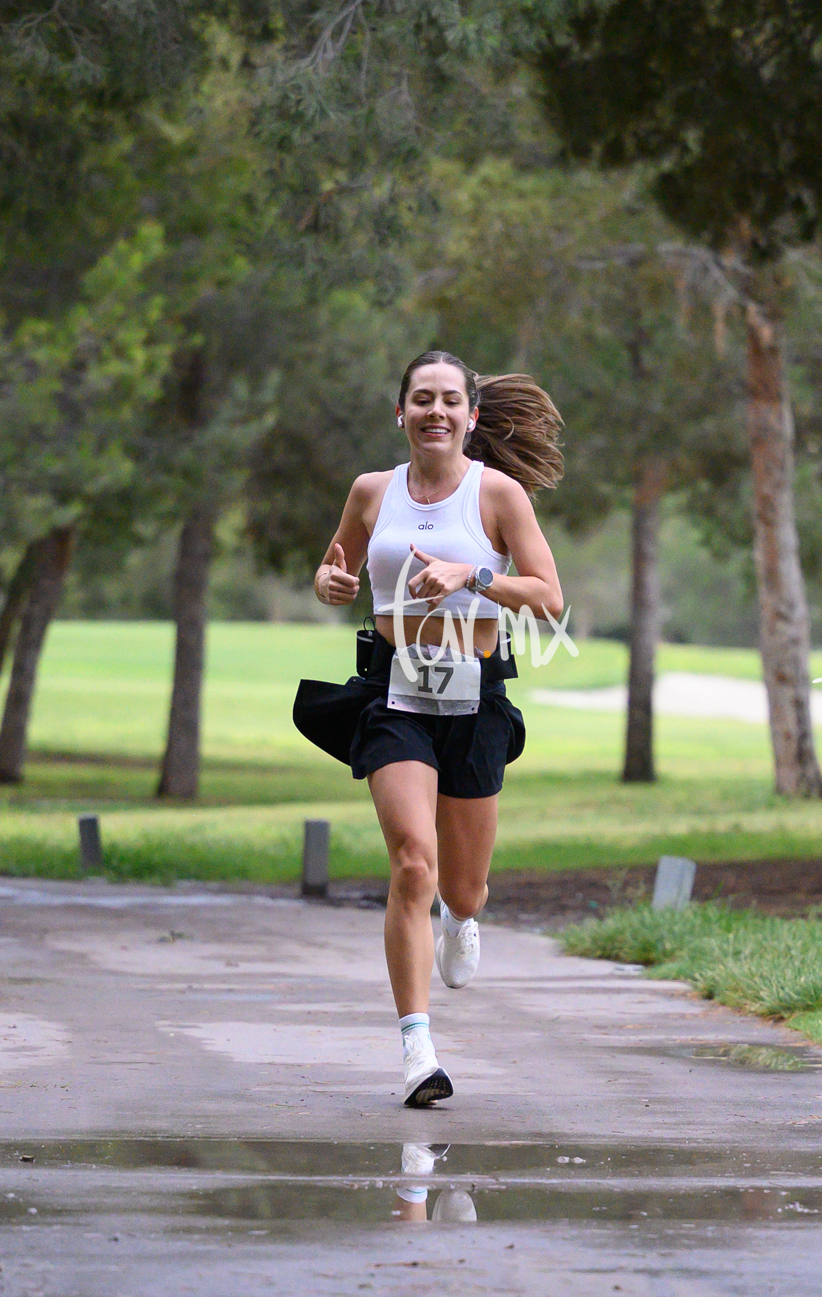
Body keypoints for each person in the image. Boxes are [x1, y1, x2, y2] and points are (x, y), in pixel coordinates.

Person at [293, 350, 565, 1108]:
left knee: (464, 884)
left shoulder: (498, 495)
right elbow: (334, 570)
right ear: (401, 412)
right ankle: (418, 1048)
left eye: (450, 400)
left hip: (475, 696)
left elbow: (547, 596)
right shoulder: (371, 491)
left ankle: (463, 916)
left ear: (472, 417)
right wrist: (329, 583)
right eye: (421, 399)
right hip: (394, 693)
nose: (435, 411)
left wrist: (471, 575)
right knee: (414, 860)